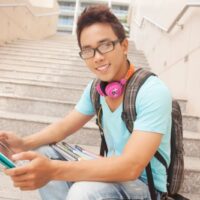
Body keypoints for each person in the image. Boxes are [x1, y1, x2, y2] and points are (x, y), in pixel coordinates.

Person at [0, 5, 172, 200]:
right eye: (88, 50)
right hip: (111, 172)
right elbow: (64, 127)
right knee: (43, 152)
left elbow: (130, 167)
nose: (98, 57)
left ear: (124, 46)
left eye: (105, 45)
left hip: (145, 186)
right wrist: (24, 143)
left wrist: (52, 170)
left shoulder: (152, 91)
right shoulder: (96, 89)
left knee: (84, 191)